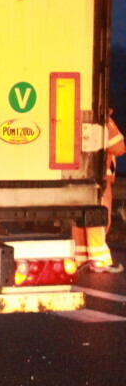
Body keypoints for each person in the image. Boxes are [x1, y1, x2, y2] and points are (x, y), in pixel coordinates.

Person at [73, 114, 126, 272]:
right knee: (99, 215)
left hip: (77, 175)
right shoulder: (104, 121)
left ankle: (81, 258)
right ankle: (99, 260)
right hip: (100, 176)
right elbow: (119, 147)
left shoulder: (76, 117)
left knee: (80, 217)